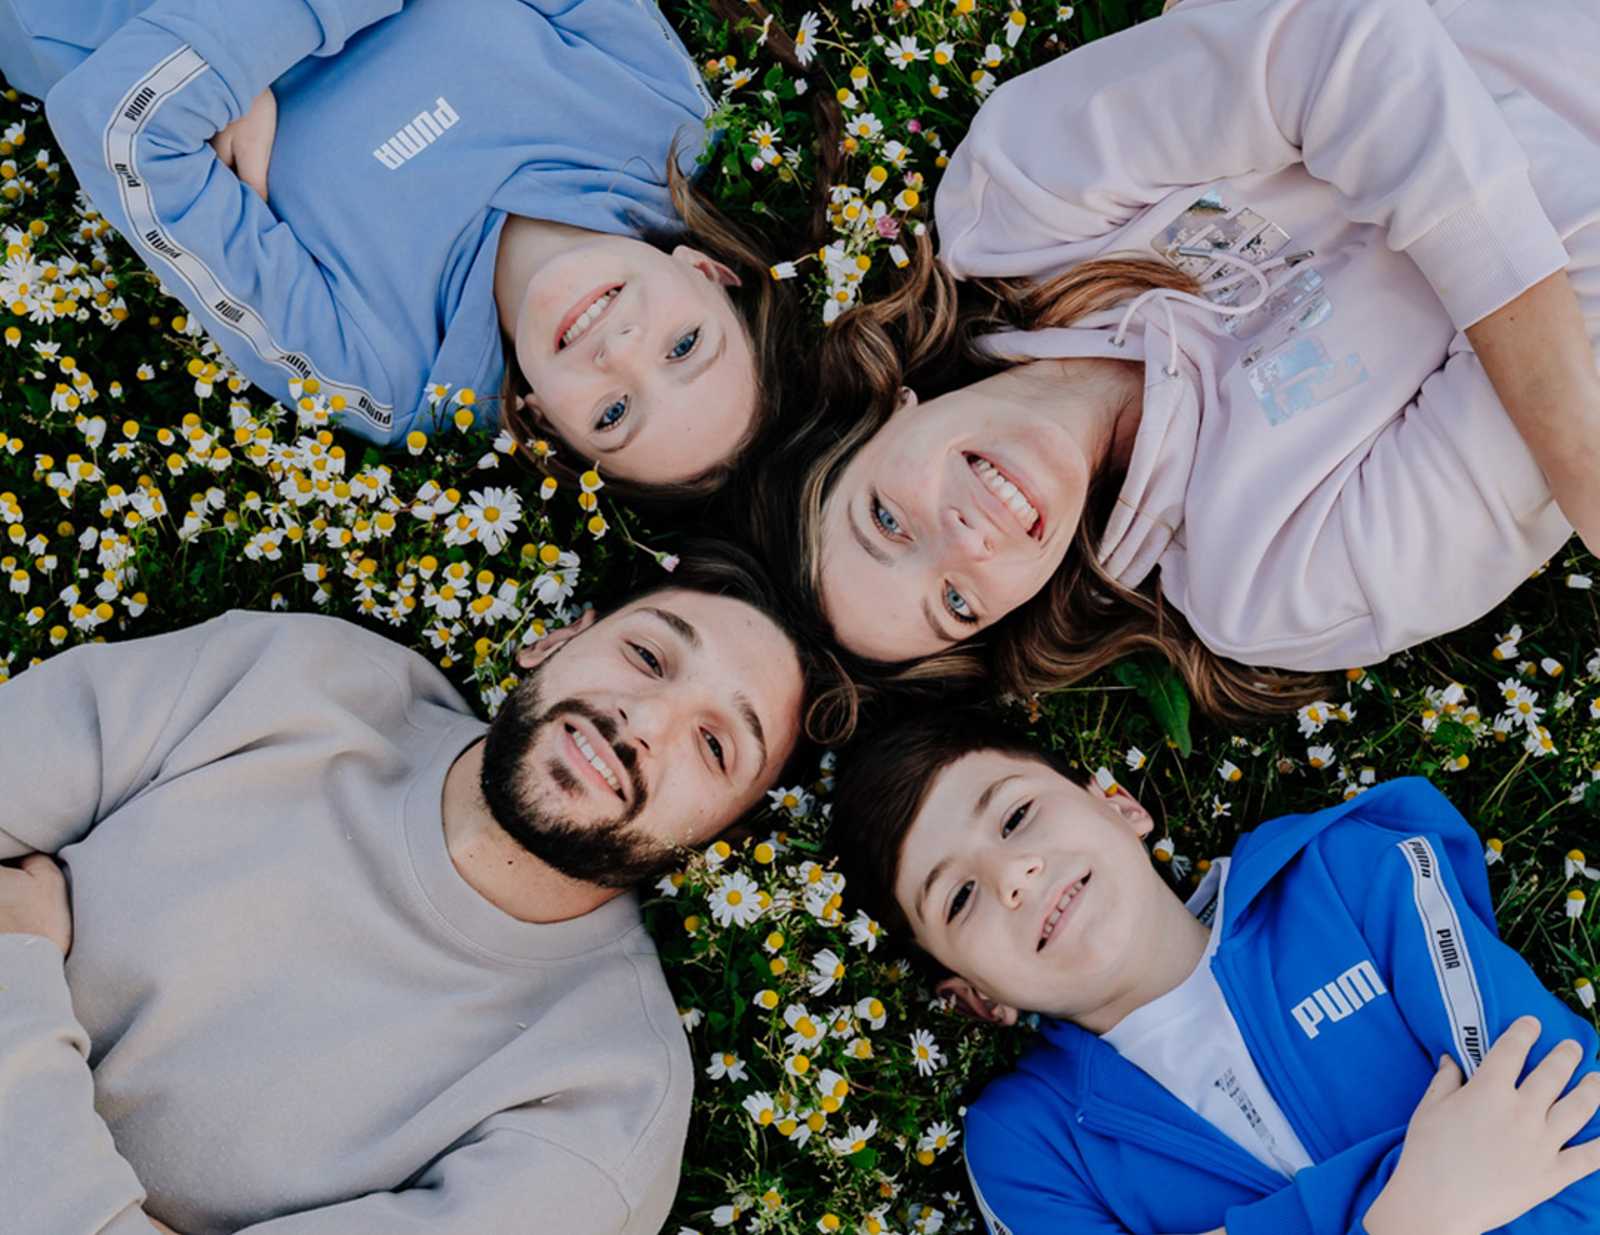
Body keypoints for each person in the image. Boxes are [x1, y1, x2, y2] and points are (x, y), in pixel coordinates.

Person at [762, 0, 1600, 716]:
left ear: (884, 411)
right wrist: (1401, 113)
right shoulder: (1276, 584)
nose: (964, 540)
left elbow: (1333, 34)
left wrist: (1576, 448)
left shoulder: (1014, 204)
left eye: (885, 519)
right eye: (955, 602)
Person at [0, 543, 845, 1235]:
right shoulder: (302, 678)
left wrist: (19, 956)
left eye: (714, 745)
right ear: (555, 639)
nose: (645, 721)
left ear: (718, 842)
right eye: (647, 656)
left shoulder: (605, 1104)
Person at [829, 712, 1600, 1235]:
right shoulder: (1026, 1146)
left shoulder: (1347, 876)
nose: (1013, 877)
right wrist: (1409, 1215)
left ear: (1119, 805)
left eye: (1015, 816)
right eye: (960, 897)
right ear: (976, 999)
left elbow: (1577, 1140)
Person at [0, 0, 805, 497]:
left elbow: (117, 125)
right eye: (684, 346)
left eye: (613, 414)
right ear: (709, 273)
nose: (619, 353)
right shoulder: (659, 118)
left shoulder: (382, 373)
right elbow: (166, 105)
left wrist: (233, 53)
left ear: (548, 429)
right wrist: (233, 64)